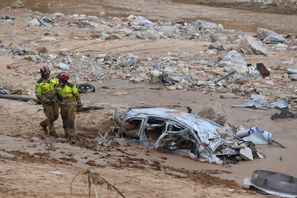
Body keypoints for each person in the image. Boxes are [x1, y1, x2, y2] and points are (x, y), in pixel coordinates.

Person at [56, 71, 82, 138]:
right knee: (64, 119)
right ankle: (66, 132)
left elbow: (77, 95)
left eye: (59, 79)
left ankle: (72, 133)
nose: (58, 80)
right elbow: (56, 95)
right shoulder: (57, 86)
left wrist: (79, 103)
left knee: (71, 119)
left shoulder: (71, 86)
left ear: (63, 80)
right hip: (62, 106)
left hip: (71, 105)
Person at [35, 65, 59, 136]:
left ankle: (43, 124)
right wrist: (45, 99)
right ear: (42, 74)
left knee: (56, 116)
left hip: (54, 100)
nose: (47, 75)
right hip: (46, 102)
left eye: (48, 73)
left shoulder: (53, 79)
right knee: (50, 117)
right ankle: (52, 132)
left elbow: (57, 87)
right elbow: (38, 93)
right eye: (46, 74)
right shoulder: (39, 83)